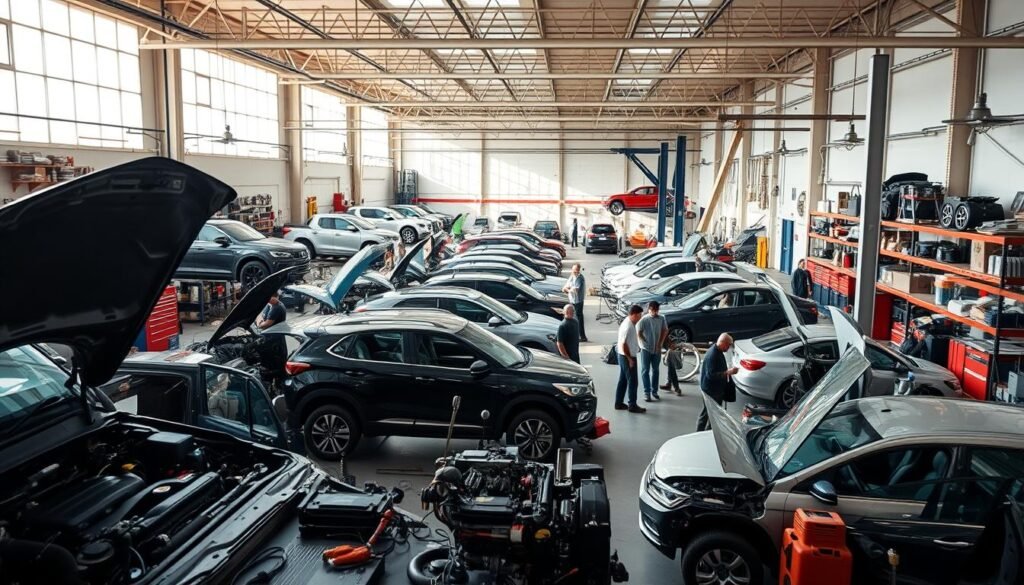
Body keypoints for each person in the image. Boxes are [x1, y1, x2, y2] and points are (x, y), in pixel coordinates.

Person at [696, 333, 738, 432]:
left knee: (713, 414)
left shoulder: (717, 351)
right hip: (711, 391)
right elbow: (711, 375)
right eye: (728, 345)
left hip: (714, 390)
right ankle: (700, 433)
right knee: (707, 414)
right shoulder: (713, 355)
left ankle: (709, 431)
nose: (729, 348)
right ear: (723, 343)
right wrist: (728, 372)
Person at [614, 305, 646, 413]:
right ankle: (632, 404)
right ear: (634, 314)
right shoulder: (628, 326)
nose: (640, 317)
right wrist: (630, 359)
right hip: (627, 356)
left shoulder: (629, 322)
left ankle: (618, 403)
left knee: (623, 380)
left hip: (624, 355)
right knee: (633, 381)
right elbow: (624, 344)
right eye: (639, 315)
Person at [636, 301, 669, 402]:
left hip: (657, 349)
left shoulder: (661, 318)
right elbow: (639, 332)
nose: (654, 312)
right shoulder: (644, 320)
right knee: (645, 370)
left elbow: (665, 330)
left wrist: (660, 343)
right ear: (649, 309)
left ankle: (654, 391)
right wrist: (644, 342)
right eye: (653, 310)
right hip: (646, 349)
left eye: (656, 310)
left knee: (656, 370)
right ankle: (647, 392)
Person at [562, 263, 588, 342]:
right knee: (573, 318)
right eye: (573, 270)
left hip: (578, 301)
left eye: (575, 271)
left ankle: (582, 336)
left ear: (578, 271)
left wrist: (569, 290)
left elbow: (575, 290)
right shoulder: (572, 277)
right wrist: (569, 290)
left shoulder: (580, 278)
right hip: (572, 300)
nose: (574, 272)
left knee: (579, 319)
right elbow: (564, 288)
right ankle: (576, 335)